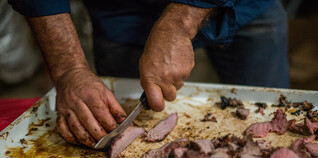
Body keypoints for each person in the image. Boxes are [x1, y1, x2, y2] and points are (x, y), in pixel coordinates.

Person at [8, 0, 289, 148]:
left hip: (243, 6)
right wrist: (69, 69)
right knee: (112, 119)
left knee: (272, 121)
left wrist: (179, 24)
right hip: (123, 13)